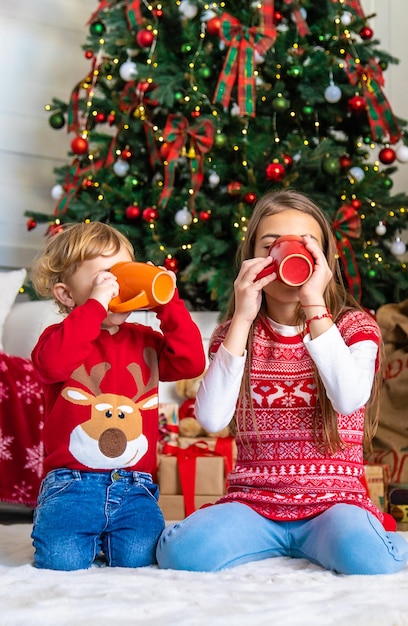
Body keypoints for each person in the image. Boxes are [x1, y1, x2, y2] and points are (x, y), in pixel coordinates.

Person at [156, 190, 408, 575]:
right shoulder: (233, 333)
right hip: (254, 505)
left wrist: (315, 305)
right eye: (271, 245)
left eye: (306, 246)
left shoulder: (356, 328)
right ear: (251, 259)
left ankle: (372, 531)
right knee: (182, 554)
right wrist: (241, 318)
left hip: (332, 505)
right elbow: (210, 419)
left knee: (371, 560)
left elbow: (347, 398)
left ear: (324, 261)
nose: (288, 256)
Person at [30, 221, 206, 570]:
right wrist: (95, 306)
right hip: (70, 486)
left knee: (139, 558)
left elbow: (191, 362)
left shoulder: (144, 341)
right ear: (67, 295)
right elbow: (52, 366)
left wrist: (166, 305)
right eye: (105, 277)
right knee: (60, 560)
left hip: (135, 487)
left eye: (123, 272)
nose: (117, 284)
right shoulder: (58, 338)